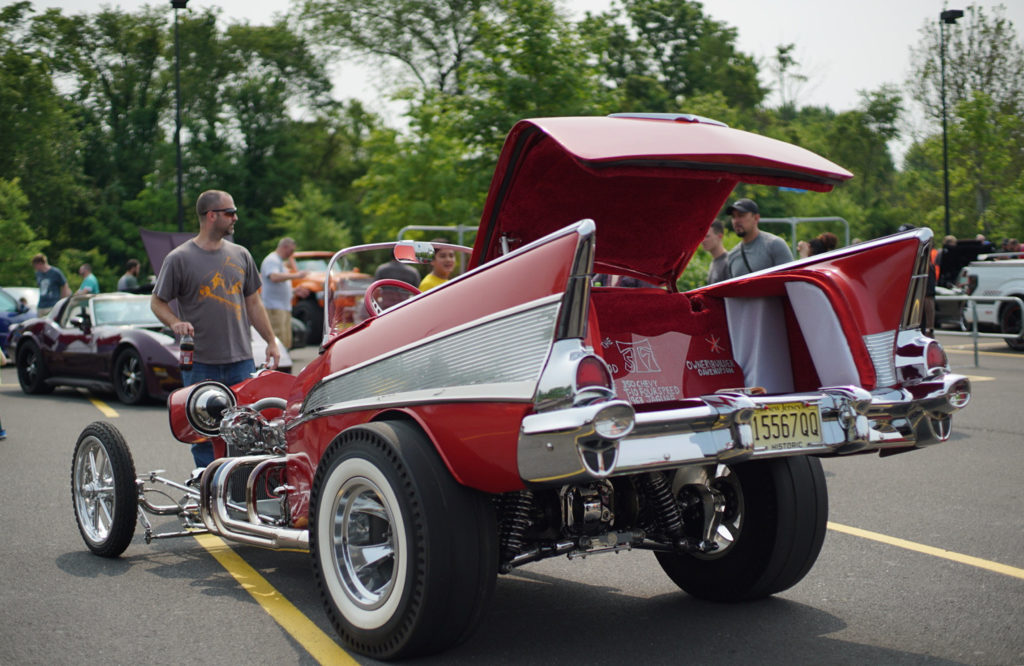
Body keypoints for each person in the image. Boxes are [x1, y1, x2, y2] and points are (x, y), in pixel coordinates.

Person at [151, 189, 280, 468]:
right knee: (204, 433)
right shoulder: (179, 258)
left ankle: (240, 491)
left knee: (248, 430)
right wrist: (175, 323)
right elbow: (157, 302)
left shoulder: (241, 254)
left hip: (240, 361)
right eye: (230, 212)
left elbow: (253, 304)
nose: (235, 217)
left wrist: (271, 340)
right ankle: (206, 493)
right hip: (200, 363)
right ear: (211, 216)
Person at [260, 237, 308, 350]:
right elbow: (274, 277)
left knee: (285, 342)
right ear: (284, 247)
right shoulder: (272, 260)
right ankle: (279, 365)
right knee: (279, 341)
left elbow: (279, 284)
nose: (291, 254)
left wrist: (294, 291)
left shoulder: (279, 262)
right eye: (291, 250)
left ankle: (283, 365)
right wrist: (297, 275)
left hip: (282, 307)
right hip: (274, 307)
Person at [724, 198, 793, 277]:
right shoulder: (732, 255)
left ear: (756, 218)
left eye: (741, 215)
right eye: (733, 217)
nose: (736, 221)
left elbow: (790, 280)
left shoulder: (774, 245)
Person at [702, 219, 730, 284]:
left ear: (720, 236)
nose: (703, 240)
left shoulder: (728, 263)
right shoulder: (714, 262)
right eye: (702, 237)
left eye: (707, 236)